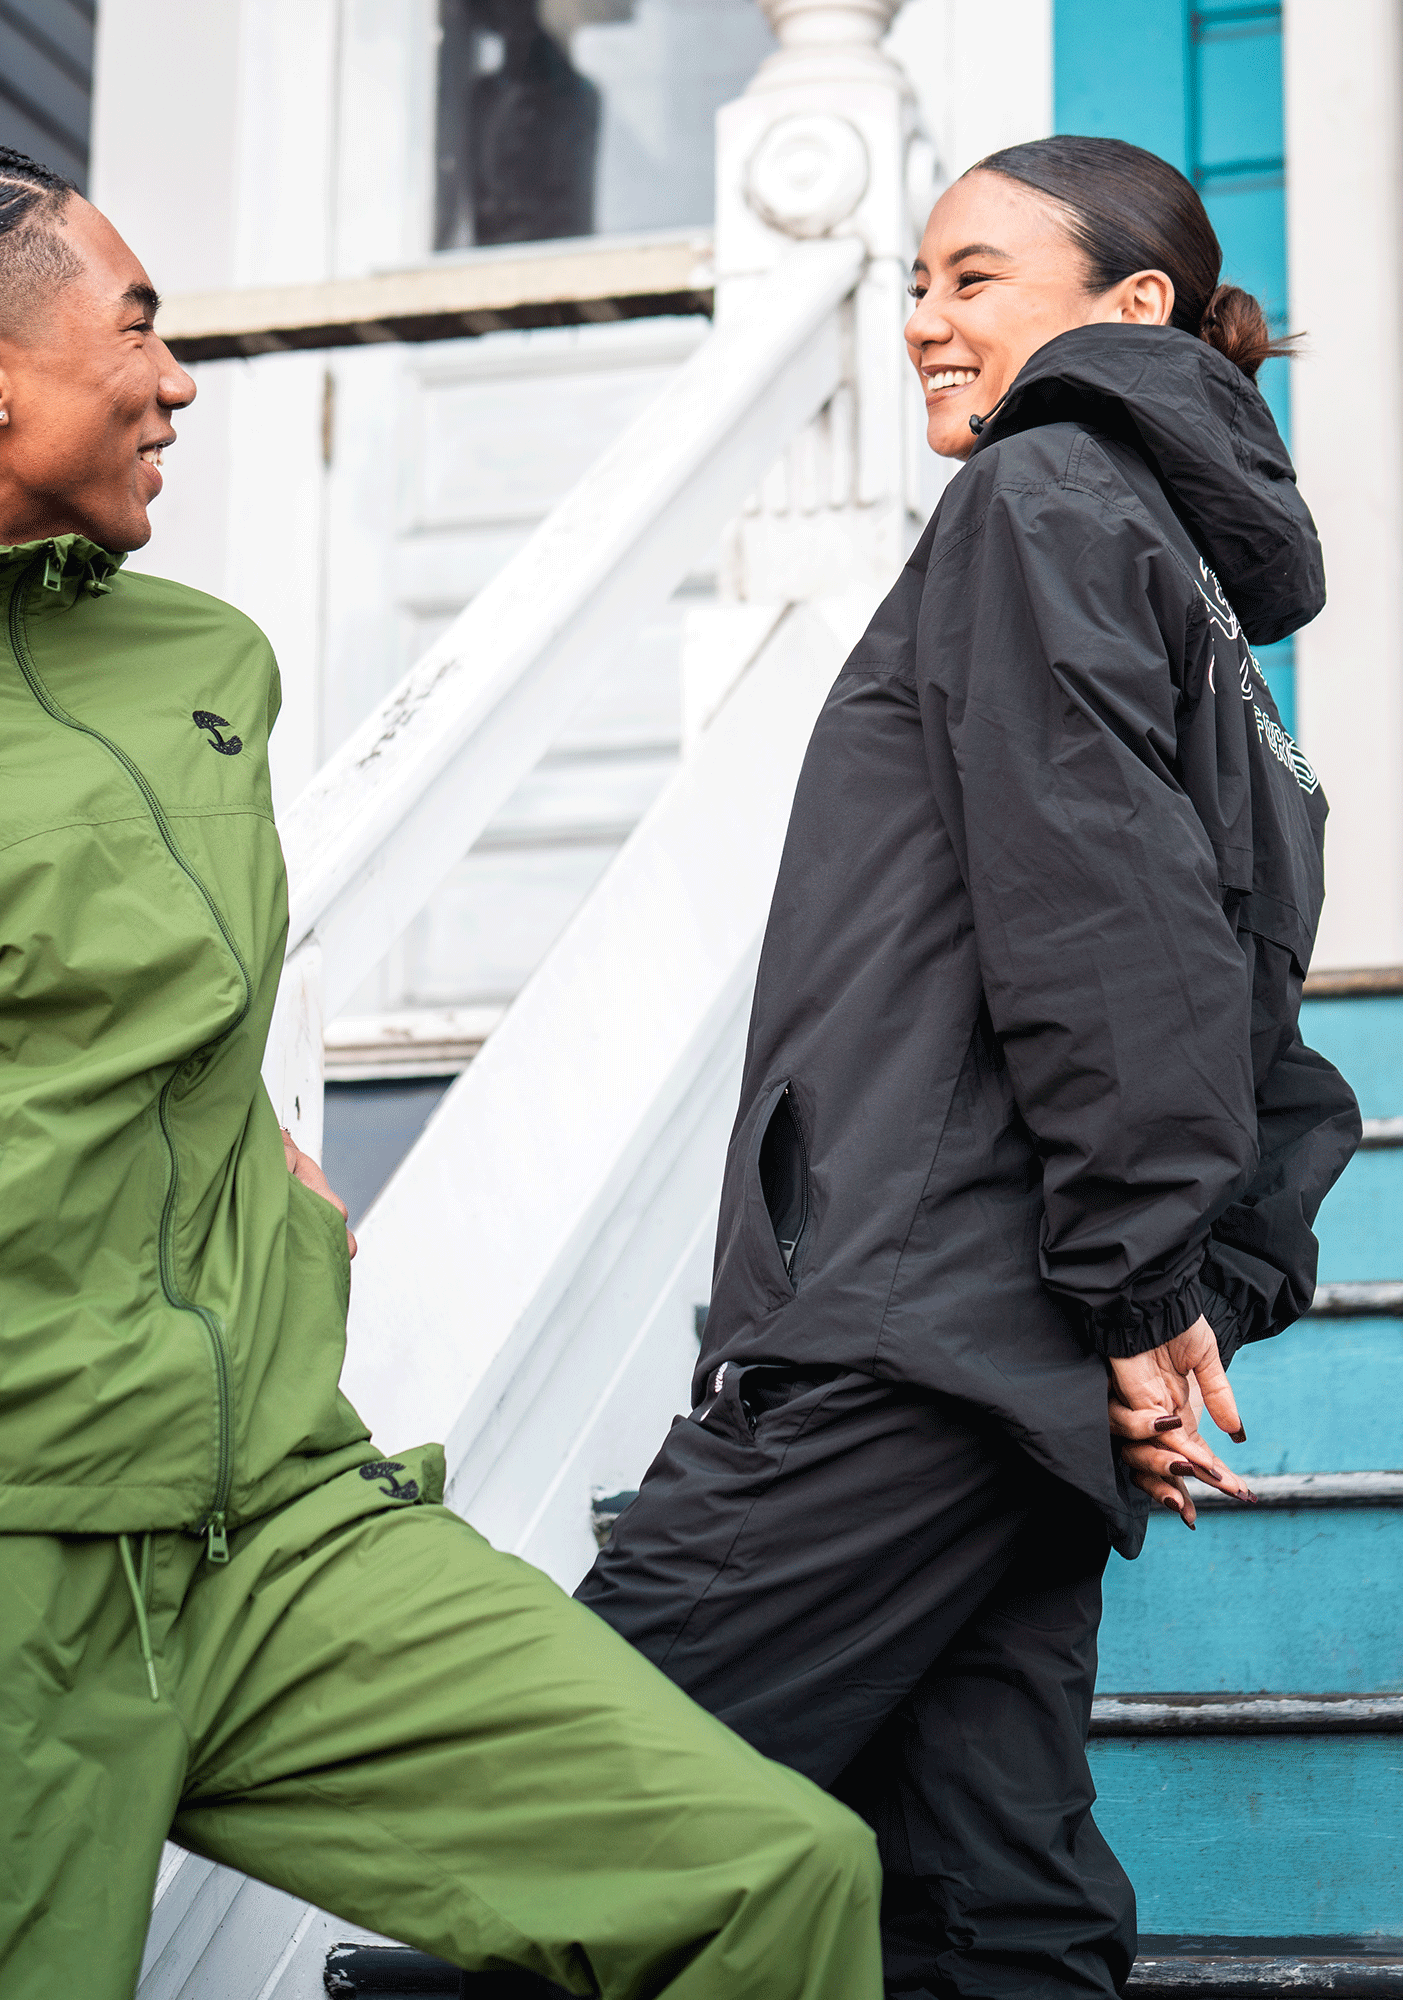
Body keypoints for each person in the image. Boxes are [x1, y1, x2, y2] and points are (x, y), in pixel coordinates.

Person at [0, 146, 880, 2000]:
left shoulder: (205, 665)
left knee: (770, 1880)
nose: (177, 379)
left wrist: (246, 1164)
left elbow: (120, 1012)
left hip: (276, 1524)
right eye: (136, 329)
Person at [576, 135, 1360, 2000]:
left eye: (973, 278)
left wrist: (1141, 1289)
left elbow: (1112, 930)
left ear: (1131, 307)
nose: (924, 320)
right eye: (916, 282)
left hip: (908, 1338)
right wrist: (1158, 1311)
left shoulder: (1042, 499)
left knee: (553, 1805)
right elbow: (1256, 1029)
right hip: (1011, 1353)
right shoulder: (1198, 599)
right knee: (989, 1902)